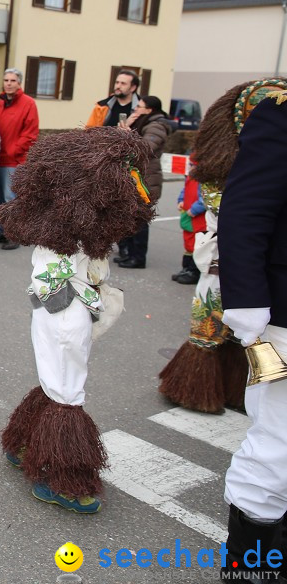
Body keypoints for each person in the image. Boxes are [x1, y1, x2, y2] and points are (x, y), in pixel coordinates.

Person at [0, 126, 154, 514]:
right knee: (67, 389)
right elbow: (56, 281)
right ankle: (57, 475)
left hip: (61, 308)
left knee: (57, 378)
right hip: (64, 311)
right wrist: (82, 308)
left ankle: (25, 443)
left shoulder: (69, 223)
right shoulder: (69, 228)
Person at [158, 80, 285, 415]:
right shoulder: (223, 170)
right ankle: (198, 388)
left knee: (239, 335)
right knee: (210, 325)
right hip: (221, 264)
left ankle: (233, 387)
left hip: (247, 266)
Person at [218, 85, 287, 578]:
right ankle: (251, 569)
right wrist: (247, 308)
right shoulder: (282, 112)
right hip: (283, 318)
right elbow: (245, 210)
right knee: (277, 446)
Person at [115, 95, 171, 268]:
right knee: (130, 218)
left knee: (139, 219)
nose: (135, 110)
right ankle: (130, 253)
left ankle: (138, 258)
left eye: (139, 107)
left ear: (149, 110)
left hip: (146, 179)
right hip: (136, 177)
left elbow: (146, 148)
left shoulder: (156, 126)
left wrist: (127, 135)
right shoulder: (143, 123)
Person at [0, 67, 38, 250]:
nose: (9, 83)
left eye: (13, 80)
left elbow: (30, 134)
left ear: (19, 83)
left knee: (11, 199)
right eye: (6, 80)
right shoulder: (0, 103)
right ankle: (3, 231)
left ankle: (14, 235)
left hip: (13, 160)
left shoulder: (28, 103)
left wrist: (13, 151)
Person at [171, 171, 205, 285]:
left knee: (197, 243)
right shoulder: (191, 174)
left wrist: (195, 209)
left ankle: (194, 271)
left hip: (197, 216)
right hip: (188, 213)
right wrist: (181, 200)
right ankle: (187, 268)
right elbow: (185, 188)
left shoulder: (204, 175)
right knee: (188, 241)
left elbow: (205, 196)